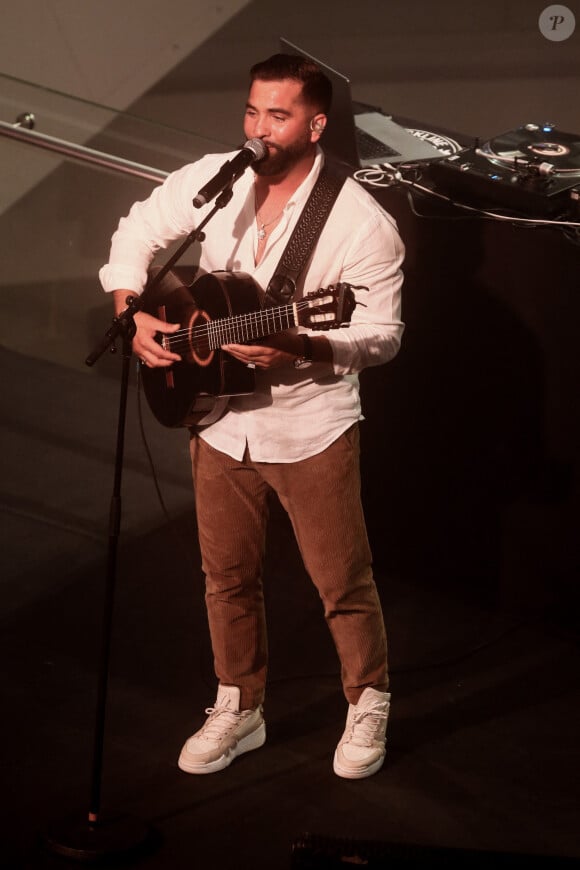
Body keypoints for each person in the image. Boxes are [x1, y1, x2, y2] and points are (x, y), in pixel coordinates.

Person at [99, 53, 404, 780]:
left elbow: (384, 335)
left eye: (277, 115)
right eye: (251, 111)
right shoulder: (218, 182)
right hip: (219, 419)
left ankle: (369, 701)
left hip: (310, 426)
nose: (259, 130)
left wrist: (300, 342)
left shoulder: (362, 222)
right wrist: (132, 311)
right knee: (225, 576)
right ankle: (239, 706)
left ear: (316, 123)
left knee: (341, 583)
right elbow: (136, 232)